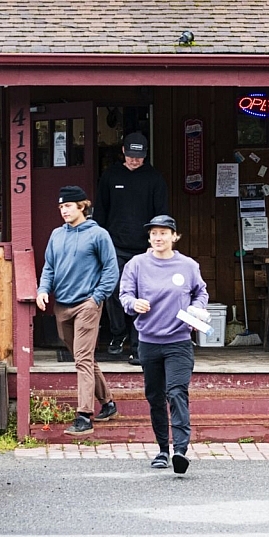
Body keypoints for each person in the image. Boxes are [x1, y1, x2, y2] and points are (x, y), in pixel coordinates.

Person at [119, 215, 206, 474]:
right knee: (155, 397)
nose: (158, 238)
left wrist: (197, 309)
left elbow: (201, 292)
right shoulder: (136, 264)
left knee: (177, 393)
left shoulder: (188, 265)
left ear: (174, 236)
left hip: (179, 341)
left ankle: (180, 450)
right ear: (149, 238)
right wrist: (133, 304)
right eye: (154, 233)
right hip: (148, 342)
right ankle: (162, 450)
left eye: (164, 233)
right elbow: (124, 294)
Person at [36, 186, 120, 436]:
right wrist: (43, 290)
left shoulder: (99, 235)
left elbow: (111, 270)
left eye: (68, 206)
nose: (64, 210)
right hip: (62, 304)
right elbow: (49, 267)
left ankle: (84, 416)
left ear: (82, 206)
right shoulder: (56, 235)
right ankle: (109, 403)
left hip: (88, 304)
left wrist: (97, 298)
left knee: (82, 359)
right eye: (61, 207)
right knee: (84, 358)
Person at [95, 131, 169, 362]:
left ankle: (138, 344)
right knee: (114, 290)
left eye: (140, 156)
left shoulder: (155, 178)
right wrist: (99, 243)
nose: (135, 160)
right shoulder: (110, 176)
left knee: (143, 294)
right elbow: (100, 212)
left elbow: (162, 215)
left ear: (145, 155)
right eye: (131, 155)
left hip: (144, 247)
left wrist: (156, 245)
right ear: (123, 152)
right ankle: (118, 334)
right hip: (114, 244)